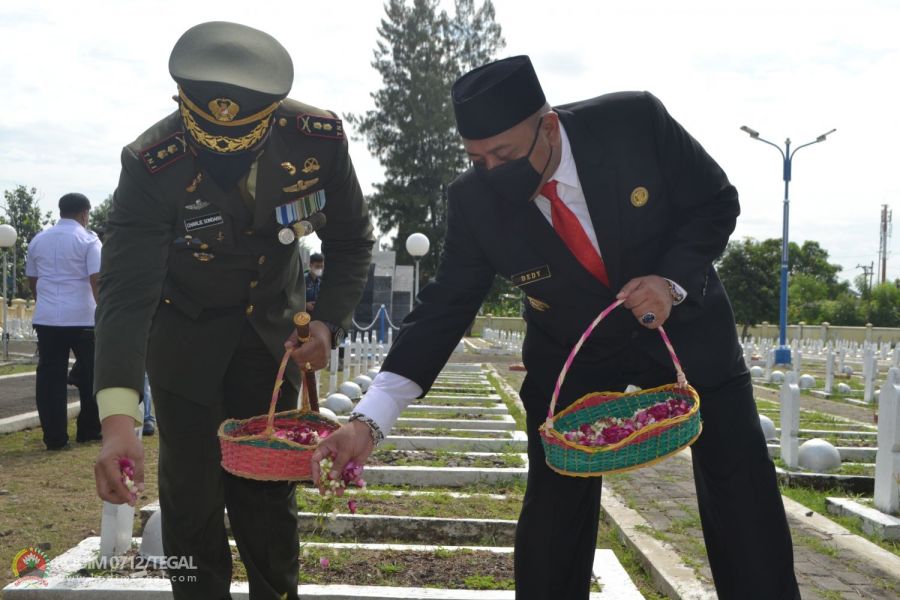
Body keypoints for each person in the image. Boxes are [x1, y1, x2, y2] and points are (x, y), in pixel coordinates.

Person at [314, 56, 801, 600]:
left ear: (548, 126)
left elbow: (715, 202)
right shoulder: (474, 201)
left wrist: (669, 280)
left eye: (505, 153)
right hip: (571, 346)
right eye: (478, 158)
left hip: (686, 327)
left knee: (740, 484)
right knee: (555, 500)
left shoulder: (633, 123)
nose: (493, 170)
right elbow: (443, 308)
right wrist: (368, 422)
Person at [92, 22, 373, 599]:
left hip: (273, 344)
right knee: (191, 501)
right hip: (185, 343)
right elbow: (126, 293)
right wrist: (118, 422)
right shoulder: (152, 163)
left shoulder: (316, 139)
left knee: (268, 498)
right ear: (183, 105)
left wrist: (326, 323)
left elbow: (351, 242)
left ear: (270, 115)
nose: (228, 152)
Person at [25, 192, 102, 450]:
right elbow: (96, 279)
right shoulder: (89, 240)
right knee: (91, 376)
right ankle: (89, 430)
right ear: (84, 213)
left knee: (50, 378)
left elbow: (32, 278)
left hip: (48, 319)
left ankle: (55, 438)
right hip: (83, 318)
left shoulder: (38, 239)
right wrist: (103, 310)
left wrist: (43, 301)